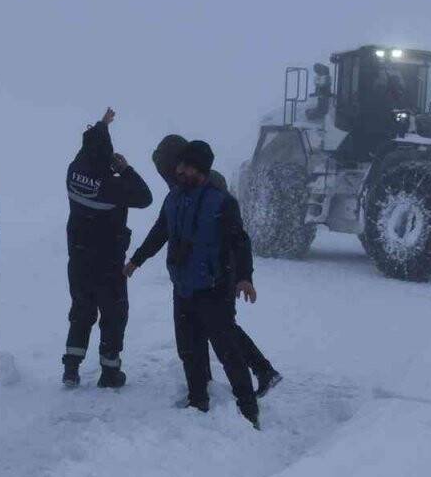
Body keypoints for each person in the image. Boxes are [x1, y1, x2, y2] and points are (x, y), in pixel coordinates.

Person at [126, 140, 260, 428]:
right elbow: (159, 232)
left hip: (215, 289)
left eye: (184, 166)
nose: (178, 170)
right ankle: (197, 400)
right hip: (183, 288)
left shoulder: (222, 203)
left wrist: (245, 277)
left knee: (229, 353)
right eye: (179, 165)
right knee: (189, 350)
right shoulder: (173, 199)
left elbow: (240, 241)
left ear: (198, 169)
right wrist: (136, 260)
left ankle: (249, 412)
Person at [151, 135, 282, 397]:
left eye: (167, 168)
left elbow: (230, 235)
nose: (170, 175)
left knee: (222, 329)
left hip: (218, 271)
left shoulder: (209, 187)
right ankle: (214, 380)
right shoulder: (186, 184)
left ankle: (260, 373)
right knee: (216, 328)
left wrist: (238, 275)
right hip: (202, 272)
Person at [61, 108, 152, 388]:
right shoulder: (113, 186)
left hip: (78, 257)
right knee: (113, 314)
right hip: (108, 262)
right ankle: (110, 372)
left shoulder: (74, 171)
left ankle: (71, 369)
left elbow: (88, 149)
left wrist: (103, 125)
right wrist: (125, 169)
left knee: (81, 310)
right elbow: (145, 197)